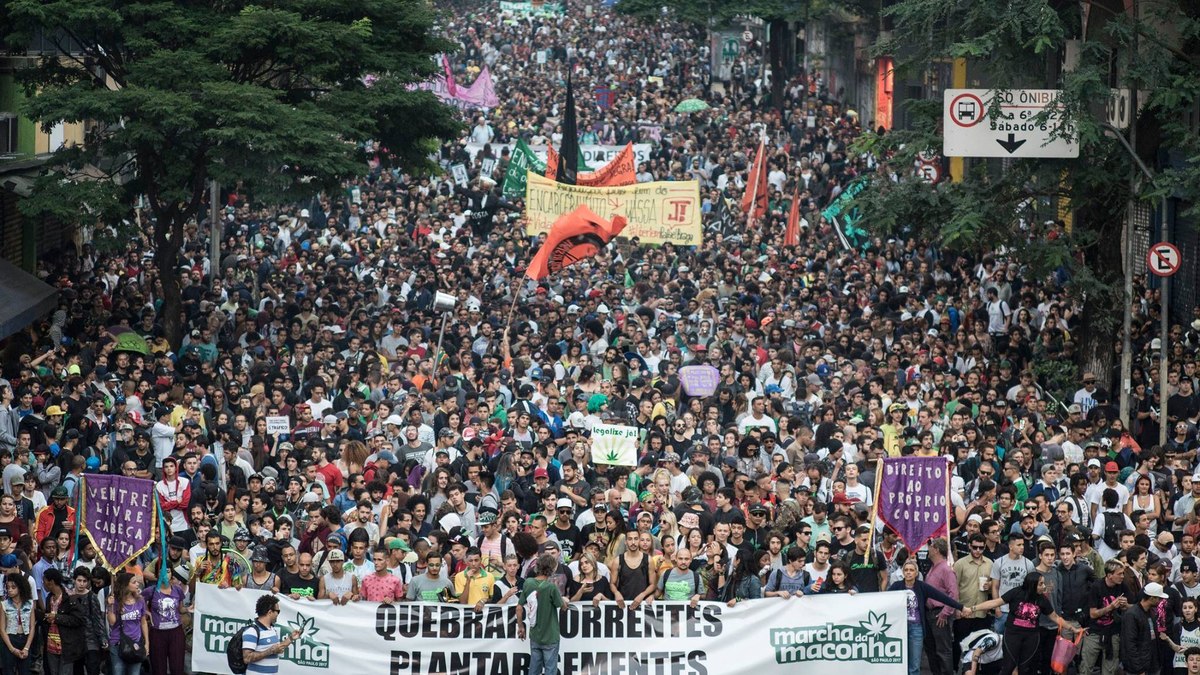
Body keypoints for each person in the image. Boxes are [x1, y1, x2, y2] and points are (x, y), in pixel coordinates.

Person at [967, 571, 1070, 675]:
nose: (1044, 586)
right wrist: (973, 608)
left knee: (1024, 668)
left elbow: (1055, 617)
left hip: (1031, 637)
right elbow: (995, 602)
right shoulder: (1017, 592)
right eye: (1040, 584)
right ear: (1032, 585)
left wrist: (1072, 628)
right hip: (1013, 634)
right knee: (1009, 666)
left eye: (1043, 583)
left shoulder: (1042, 599)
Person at [889, 558, 965, 675]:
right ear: (903, 572)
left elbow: (942, 597)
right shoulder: (896, 586)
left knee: (915, 664)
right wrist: (858, 597)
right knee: (900, 662)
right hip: (900, 629)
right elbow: (882, 599)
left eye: (911, 570)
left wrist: (961, 607)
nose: (908, 572)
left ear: (916, 573)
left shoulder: (922, 587)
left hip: (916, 628)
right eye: (906, 570)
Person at [516, 553, 565, 675]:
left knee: (534, 668)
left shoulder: (528, 583)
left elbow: (519, 607)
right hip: (550, 636)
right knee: (550, 669)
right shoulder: (551, 587)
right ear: (552, 568)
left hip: (535, 635)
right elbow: (562, 607)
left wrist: (521, 626)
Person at [241, 594, 301, 675]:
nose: (278, 614)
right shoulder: (252, 631)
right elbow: (247, 658)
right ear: (270, 612)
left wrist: (290, 639)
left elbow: (276, 648)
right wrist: (270, 651)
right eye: (278, 611)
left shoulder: (272, 629)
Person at [142, 570, 187, 675]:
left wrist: (189, 609)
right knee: (158, 668)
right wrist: (147, 613)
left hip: (176, 632)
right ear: (157, 574)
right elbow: (138, 600)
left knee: (177, 668)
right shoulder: (151, 591)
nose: (164, 574)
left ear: (172, 574)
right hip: (157, 633)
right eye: (161, 571)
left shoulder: (177, 590)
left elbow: (181, 609)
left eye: (167, 571)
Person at [106, 573, 148, 675]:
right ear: (125, 585)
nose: (137, 584)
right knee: (118, 672)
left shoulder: (140, 600)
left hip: (135, 644)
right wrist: (109, 606)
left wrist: (147, 642)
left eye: (137, 582)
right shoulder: (115, 601)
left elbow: (143, 622)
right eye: (134, 582)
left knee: (134, 673)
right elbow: (112, 622)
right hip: (118, 643)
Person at [1122, 582, 1169, 675]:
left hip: (1153, 664)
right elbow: (1130, 644)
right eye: (1159, 598)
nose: (1160, 601)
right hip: (1139, 667)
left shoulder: (1151, 612)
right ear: (1151, 598)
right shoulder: (1132, 615)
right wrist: (1138, 669)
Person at [0, 573, 36, 675]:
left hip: (25, 639)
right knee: (8, 671)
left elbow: (32, 626)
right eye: (8, 587)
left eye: (13, 587)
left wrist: (26, 647)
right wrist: (12, 649)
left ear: (20, 587)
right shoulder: (4, 604)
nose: (10, 590)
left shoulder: (30, 603)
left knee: (25, 671)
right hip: (9, 639)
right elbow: (2, 629)